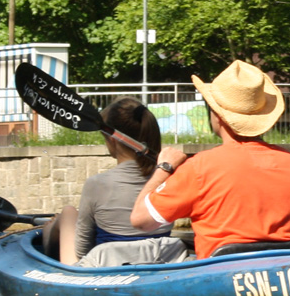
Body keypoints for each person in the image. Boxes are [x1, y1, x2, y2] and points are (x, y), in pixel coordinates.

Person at [130, 60, 290, 259]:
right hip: (286, 277)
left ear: (218, 116)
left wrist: (164, 167)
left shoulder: (199, 167)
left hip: (220, 280)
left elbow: (141, 220)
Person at [43, 97, 188, 266]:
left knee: (68, 213)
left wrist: (50, 232)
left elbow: (82, 250)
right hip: (160, 260)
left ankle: (46, 251)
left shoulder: (96, 185)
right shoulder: (170, 179)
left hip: (107, 269)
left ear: (112, 140)